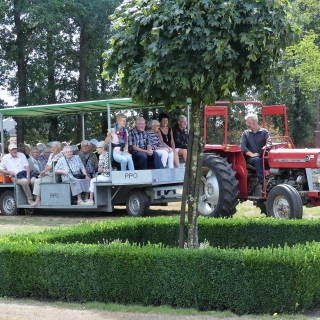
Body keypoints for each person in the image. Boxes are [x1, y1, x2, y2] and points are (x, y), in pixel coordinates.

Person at [240, 113, 270, 185]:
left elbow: (269, 142)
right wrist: (252, 155)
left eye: (249, 122)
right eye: (247, 123)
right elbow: (243, 147)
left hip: (262, 155)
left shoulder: (264, 132)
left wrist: (266, 146)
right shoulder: (246, 134)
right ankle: (262, 182)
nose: (248, 124)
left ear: (255, 122)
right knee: (257, 160)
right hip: (251, 158)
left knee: (272, 159)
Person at [32, 141, 63, 206]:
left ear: (59, 148)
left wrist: (43, 171)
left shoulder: (60, 156)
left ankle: (37, 200)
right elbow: (47, 165)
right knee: (38, 179)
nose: (53, 149)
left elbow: (51, 166)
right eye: (52, 147)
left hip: (55, 176)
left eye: (55, 147)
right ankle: (39, 198)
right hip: (48, 175)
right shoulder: (51, 155)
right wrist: (44, 172)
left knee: (37, 181)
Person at [86, 141, 111, 205]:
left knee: (92, 181)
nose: (96, 149)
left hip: (105, 176)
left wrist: (97, 170)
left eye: (98, 148)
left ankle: (91, 200)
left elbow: (100, 170)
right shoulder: (109, 154)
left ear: (102, 148)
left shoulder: (102, 156)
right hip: (111, 176)